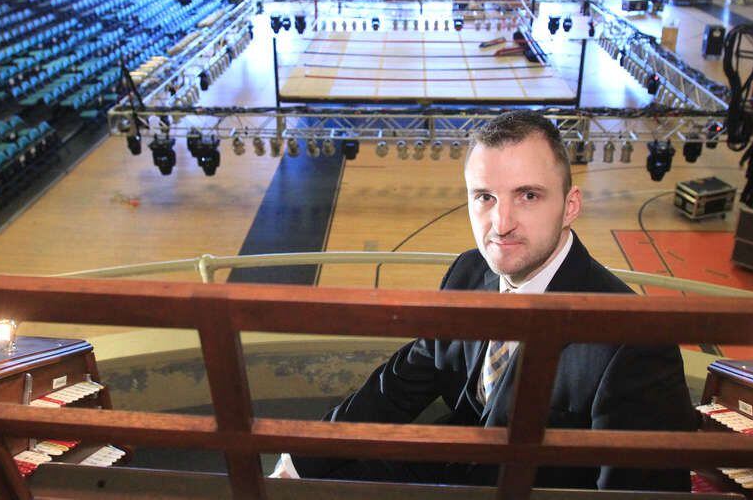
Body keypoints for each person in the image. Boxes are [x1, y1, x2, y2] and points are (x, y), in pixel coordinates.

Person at [272, 110, 696, 491]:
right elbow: (402, 383)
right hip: (452, 465)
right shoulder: (469, 272)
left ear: (570, 206)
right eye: (485, 197)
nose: (502, 223)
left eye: (528, 195)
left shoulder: (634, 343)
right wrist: (304, 454)